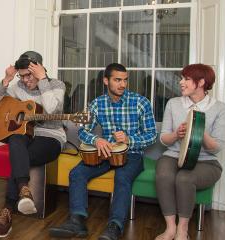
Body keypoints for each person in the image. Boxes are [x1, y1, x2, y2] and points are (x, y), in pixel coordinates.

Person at [49, 63, 157, 240]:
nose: (122, 84)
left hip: (132, 154)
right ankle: (77, 221)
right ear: (106, 81)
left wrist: (129, 139)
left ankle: (115, 227)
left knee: (122, 177)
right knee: (77, 173)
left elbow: (152, 135)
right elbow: (83, 130)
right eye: (117, 80)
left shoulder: (140, 102)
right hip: (105, 151)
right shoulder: (97, 104)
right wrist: (96, 140)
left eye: (125, 80)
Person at [0, 51, 67, 238]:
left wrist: (42, 80)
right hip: (27, 134)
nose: (24, 80)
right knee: (16, 139)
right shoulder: (17, 86)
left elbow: (52, 109)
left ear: (39, 68)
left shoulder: (56, 85)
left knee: (20, 157)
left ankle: (7, 210)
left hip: (50, 136)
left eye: (29, 75)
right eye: (21, 75)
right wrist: (7, 79)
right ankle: (25, 190)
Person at [154, 64, 225, 240]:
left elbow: (217, 147)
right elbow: (163, 139)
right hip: (173, 155)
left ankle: (182, 230)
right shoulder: (173, 103)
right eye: (182, 78)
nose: (181, 82)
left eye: (186, 79)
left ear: (201, 82)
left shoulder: (219, 108)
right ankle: (170, 228)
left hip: (206, 161)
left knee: (184, 178)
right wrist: (176, 134)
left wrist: (199, 132)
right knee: (163, 175)